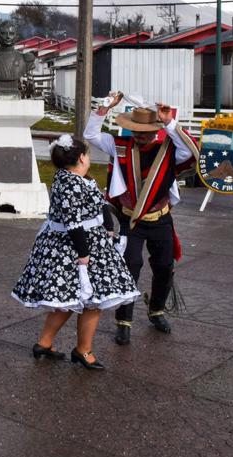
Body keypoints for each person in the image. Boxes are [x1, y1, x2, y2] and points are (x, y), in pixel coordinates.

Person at [11, 134, 139, 371]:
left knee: (67, 301)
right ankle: (83, 350)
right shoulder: (71, 184)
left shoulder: (72, 178)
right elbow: (73, 223)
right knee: (93, 301)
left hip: (81, 242)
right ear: (81, 158)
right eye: (87, 154)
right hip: (76, 247)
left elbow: (100, 205)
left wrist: (109, 228)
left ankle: (45, 343)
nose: (89, 158)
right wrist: (84, 254)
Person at [84, 93, 198, 342]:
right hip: (130, 220)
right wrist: (103, 109)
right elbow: (91, 135)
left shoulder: (168, 151)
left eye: (145, 131)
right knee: (129, 266)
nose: (140, 136)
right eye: (136, 131)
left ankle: (156, 310)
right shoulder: (120, 146)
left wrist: (169, 122)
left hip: (160, 219)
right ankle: (123, 321)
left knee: (164, 267)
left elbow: (191, 150)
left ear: (156, 130)